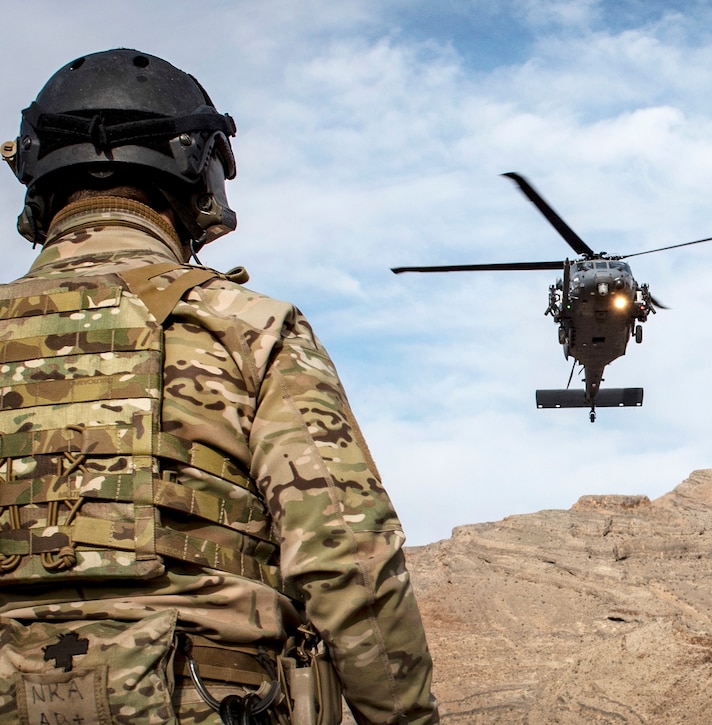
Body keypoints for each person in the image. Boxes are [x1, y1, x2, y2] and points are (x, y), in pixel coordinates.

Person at [0, 49, 439, 724]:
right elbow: (349, 560)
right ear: (198, 173)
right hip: (207, 699)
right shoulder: (247, 329)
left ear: (37, 175)